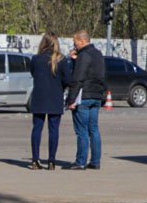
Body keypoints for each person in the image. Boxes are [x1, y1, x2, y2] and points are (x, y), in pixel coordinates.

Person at [27, 33, 68, 170]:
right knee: (54, 129)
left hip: (39, 96)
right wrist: (60, 87)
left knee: (37, 128)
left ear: (43, 43)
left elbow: (33, 74)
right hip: (55, 97)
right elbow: (67, 79)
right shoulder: (61, 59)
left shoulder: (36, 59)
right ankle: (51, 161)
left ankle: (35, 159)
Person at [67, 30, 106, 170]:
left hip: (84, 97)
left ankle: (81, 161)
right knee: (94, 129)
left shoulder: (84, 55)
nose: (74, 45)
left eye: (75, 42)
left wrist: (71, 100)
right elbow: (101, 76)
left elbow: (78, 78)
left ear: (82, 41)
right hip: (96, 96)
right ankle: (95, 161)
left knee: (82, 131)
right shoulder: (98, 54)